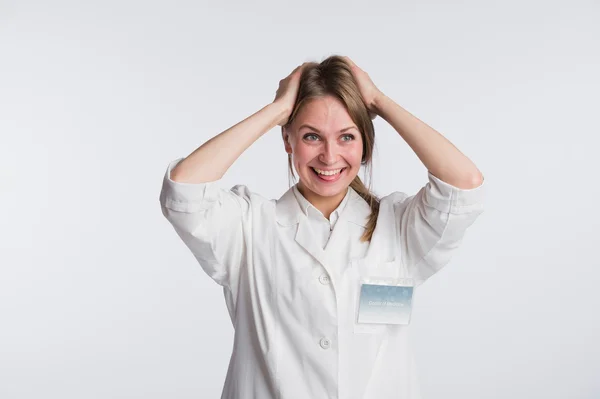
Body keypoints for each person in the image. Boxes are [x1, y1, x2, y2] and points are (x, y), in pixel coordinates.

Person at [159, 55, 485, 399]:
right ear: (288, 141)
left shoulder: (398, 227)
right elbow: (184, 189)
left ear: (365, 146)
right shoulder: (249, 228)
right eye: (312, 136)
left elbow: (464, 184)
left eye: (346, 137)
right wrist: (276, 110)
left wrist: (379, 102)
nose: (329, 157)